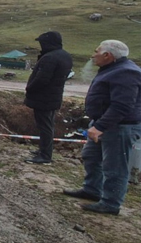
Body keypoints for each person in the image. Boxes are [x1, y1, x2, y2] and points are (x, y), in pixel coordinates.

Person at [63, 40, 141, 215]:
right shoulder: (113, 69)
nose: (93, 55)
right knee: (90, 155)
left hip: (119, 127)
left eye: (96, 51)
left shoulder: (126, 73)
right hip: (103, 123)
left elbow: (122, 106)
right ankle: (92, 190)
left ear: (108, 55)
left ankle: (111, 203)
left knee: (115, 166)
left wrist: (100, 126)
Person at [23, 31, 73, 164]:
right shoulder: (65, 56)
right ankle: (44, 150)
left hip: (43, 98)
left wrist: (30, 88)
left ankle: (45, 156)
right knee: (47, 125)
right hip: (53, 96)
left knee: (44, 126)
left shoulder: (50, 57)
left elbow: (42, 79)